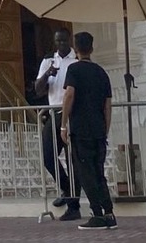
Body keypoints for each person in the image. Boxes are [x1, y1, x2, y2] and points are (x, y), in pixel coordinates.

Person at [61, 32, 115, 230]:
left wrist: (63, 124)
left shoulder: (74, 69)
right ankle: (108, 212)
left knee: (86, 173)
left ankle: (97, 214)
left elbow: (69, 95)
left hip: (81, 128)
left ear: (76, 49)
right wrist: (105, 128)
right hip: (98, 129)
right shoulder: (102, 73)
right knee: (98, 172)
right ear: (92, 48)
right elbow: (108, 105)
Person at [34, 28, 78, 220]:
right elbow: (38, 90)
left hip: (72, 114)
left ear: (69, 41)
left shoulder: (76, 61)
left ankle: (74, 207)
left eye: (63, 41)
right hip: (54, 113)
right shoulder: (48, 61)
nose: (60, 44)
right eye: (57, 41)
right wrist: (48, 74)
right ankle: (68, 190)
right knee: (47, 156)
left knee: (71, 160)